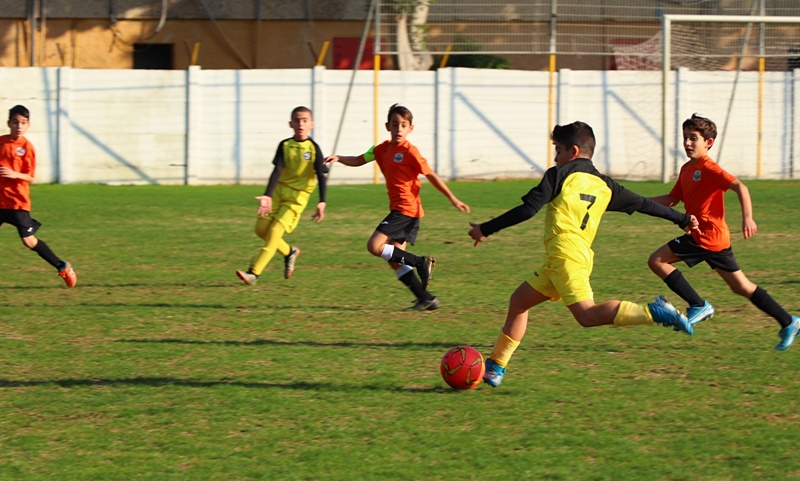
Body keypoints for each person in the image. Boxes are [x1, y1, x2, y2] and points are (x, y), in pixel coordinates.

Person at [468, 121, 698, 388]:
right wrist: (681, 219)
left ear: (573, 151)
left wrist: (485, 228)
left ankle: (654, 312)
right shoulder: (606, 185)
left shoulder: (559, 174)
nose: (555, 157)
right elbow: (644, 204)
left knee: (587, 316)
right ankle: (496, 366)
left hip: (565, 256)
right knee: (519, 302)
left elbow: (528, 209)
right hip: (570, 257)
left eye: (558, 150)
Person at [647, 113, 799, 351]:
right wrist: (639, 202)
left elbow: (740, 187)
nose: (687, 143)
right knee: (742, 287)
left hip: (706, 236)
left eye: (693, 138)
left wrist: (748, 218)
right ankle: (789, 321)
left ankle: (698, 305)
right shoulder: (687, 169)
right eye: (685, 137)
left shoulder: (709, 168)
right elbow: (672, 199)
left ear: (708, 142)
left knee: (657, 260)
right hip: (713, 239)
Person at [323, 104, 471, 311]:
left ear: (411, 128)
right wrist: (339, 158)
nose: (399, 129)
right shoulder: (381, 149)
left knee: (374, 246)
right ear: (387, 126)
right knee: (394, 259)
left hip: (406, 209)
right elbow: (359, 159)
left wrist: (453, 199)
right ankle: (425, 299)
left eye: (403, 125)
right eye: (395, 124)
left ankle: (421, 262)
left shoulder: (410, 151)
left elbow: (430, 175)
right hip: (403, 210)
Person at [236, 106, 327, 285]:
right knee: (260, 230)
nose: (301, 124)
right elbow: (277, 170)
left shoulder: (314, 148)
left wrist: (322, 201)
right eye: (297, 120)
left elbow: (321, 175)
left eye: (305, 120)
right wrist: (268, 195)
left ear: (312, 124)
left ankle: (254, 273)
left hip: (297, 199)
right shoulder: (284, 145)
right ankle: (289, 252)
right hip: (279, 192)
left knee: (275, 232)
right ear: (290, 124)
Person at [0, 105, 77, 288]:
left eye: (23, 123)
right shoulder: (1, 142)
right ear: (9, 123)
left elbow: (31, 177)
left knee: (29, 241)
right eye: (15, 122)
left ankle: (62, 265)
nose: (19, 126)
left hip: (17, 203)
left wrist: (15, 174)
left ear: (28, 125)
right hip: (0, 201)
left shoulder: (27, 148)